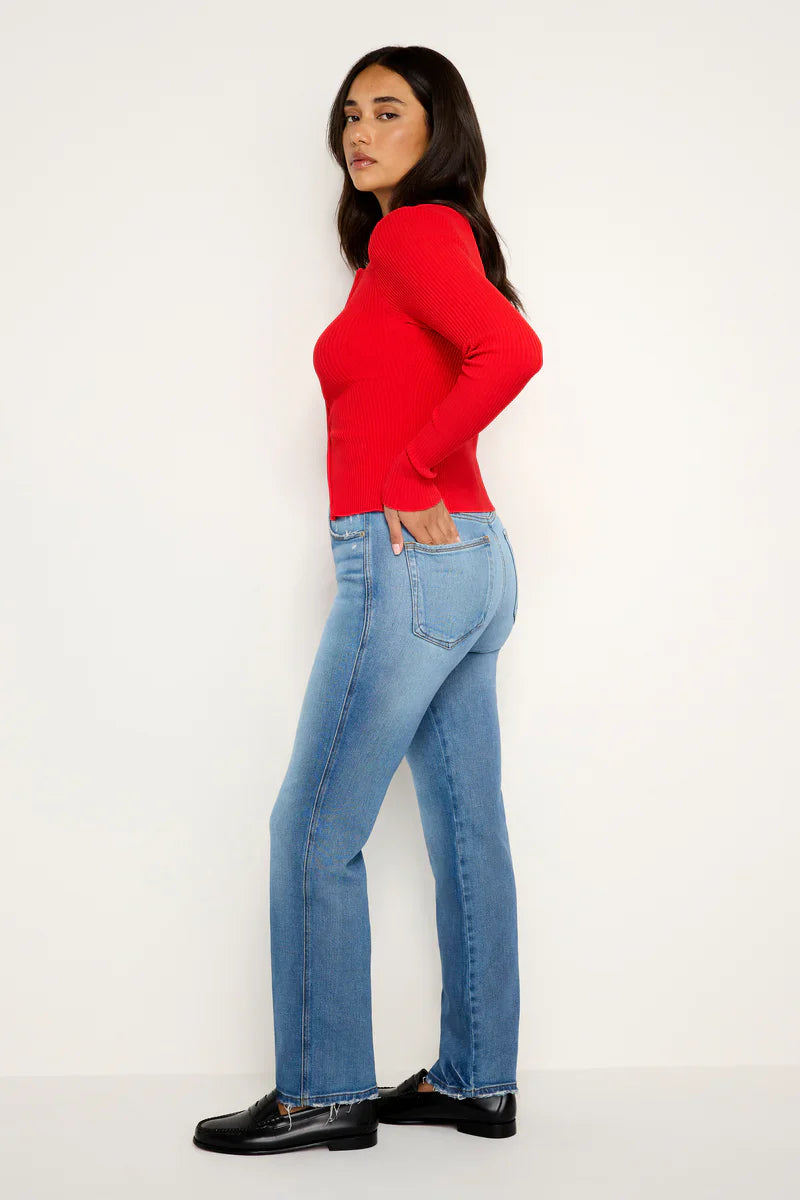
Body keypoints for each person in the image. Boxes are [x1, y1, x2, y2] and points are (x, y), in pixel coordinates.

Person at [193, 44, 543, 1156]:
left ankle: (322, 1089)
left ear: (439, 129)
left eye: (388, 111)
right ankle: (475, 1082)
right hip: (470, 562)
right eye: (350, 113)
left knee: (313, 826)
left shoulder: (413, 232)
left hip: (408, 558)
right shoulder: (421, 244)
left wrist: (410, 471)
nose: (360, 131)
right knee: (467, 831)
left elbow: (511, 349)